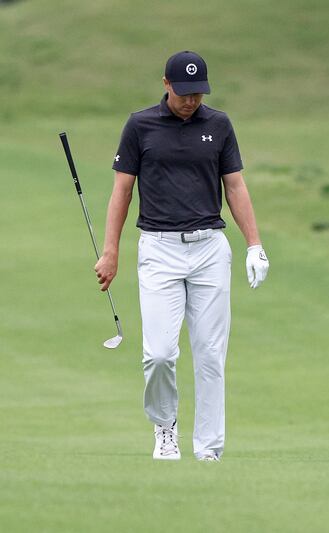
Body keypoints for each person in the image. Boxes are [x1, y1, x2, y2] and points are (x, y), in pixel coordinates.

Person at [94, 50, 270, 461]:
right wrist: (111, 252)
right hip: (158, 249)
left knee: (210, 355)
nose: (192, 100)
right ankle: (165, 427)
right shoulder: (140, 126)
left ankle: (208, 449)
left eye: (199, 93)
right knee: (158, 354)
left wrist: (255, 244)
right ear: (166, 84)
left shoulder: (219, 124)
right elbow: (122, 191)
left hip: (209, 248)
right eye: (185, 92)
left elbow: (236, 186)